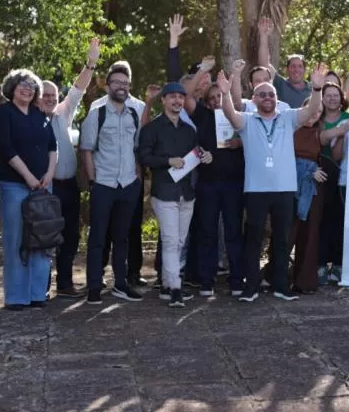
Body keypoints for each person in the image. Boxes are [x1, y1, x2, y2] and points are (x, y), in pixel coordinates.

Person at [216, 64, 327, 302]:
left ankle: (280, 286)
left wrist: (317, 89)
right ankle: (251, 287)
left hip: (284, 189)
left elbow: (311, 111)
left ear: (277, 99)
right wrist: (225, 94)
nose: (267, 98)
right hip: (256, 189)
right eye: (262, 94)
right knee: (253, 239)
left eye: (271, 94)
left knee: (282, 240)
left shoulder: (288, 117)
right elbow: (229, 114)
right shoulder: (247, 120)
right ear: (254, 99)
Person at [137, 82, 210, 308]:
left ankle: (167, 285)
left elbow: (195, 154)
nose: (177, 101)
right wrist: (168, 161)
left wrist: (205, 156)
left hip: (186, 193)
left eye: (180, 97)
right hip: (164, 192)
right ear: (163, 100)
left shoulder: (189, 131)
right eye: (172, 97)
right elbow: (144, 157)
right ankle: (176, 289)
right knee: (170, 241)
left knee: (179, 241)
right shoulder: (152, 128)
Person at [40, 37, 100, 298]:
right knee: (44, 236)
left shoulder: (62, 114)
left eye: (53, 95)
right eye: (45, 95)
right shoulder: (30, 120)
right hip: (46, 188)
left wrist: (91, 63)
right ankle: (41, 286)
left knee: (71, 236)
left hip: (69, 186)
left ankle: (64, 284)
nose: (50, 99)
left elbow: (78, 89)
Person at [0, 69, 58, 310]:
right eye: (22, 84)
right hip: (14, 185)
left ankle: (37, 294)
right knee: (16, 239)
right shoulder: (5, 112)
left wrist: (49, 173)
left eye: (31, 86)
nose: (27, 89)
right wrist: (28, 176)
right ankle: (16, 297)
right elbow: (6, 148)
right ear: (12, 87)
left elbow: (53, 146)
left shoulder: (39, 114)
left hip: (43, 185)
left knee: (42, 237)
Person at [81, 61, 144, 304]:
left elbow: (137, 149)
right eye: (117, 82)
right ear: (107, 86)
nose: (121, 87)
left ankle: (120, 284)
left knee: (122, 238)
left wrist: (136, 177)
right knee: (98, 238)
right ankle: (94, 287)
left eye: (125, 83)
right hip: (103, 184)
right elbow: (87, 150)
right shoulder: (96, 114)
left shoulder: (134, 115)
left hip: (128, 185)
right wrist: (93, 181)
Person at [187, 77, 245, 297]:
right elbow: (187, 95)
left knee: (233, 232)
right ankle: (206, 280)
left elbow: (252, 138)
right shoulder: (202, 115)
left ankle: (237, 279)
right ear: (206, 101)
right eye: (211, 98)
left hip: (234, 184)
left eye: (219, 96)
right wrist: (202, 71)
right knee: (207, 232)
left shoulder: (237, 115)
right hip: (208, 184)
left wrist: (239, 142)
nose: (215, 100)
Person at [288, 102, 329, 293]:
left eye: (319, 112)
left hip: (312, 189)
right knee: (287, 233)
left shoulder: (319, 133)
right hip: (289, 186)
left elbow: (339, 131)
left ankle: (304, 282)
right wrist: (307, 170)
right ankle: (275, 277)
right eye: (312, 110)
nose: (314, 114)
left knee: (310, 233)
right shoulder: (289, 128)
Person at [316, 82, 349, 285]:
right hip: (319, 175)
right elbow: (321, 140)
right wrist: (343, 130)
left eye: (335, 95)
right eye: (327, 95)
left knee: (340, 221)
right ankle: (320, 263)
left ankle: (338, 264)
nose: (332, 98)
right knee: (320, 221)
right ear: (322, 99)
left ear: (341, 98)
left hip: (343, 177)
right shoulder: (317, 118)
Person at [257, 17, 311, 108]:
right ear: (287, 70)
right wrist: (264, 36)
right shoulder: (280, 84)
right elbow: (264, 65)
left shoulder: (312, 89)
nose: (296, 69)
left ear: (305, 70)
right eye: (293, 66)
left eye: (300, 66)